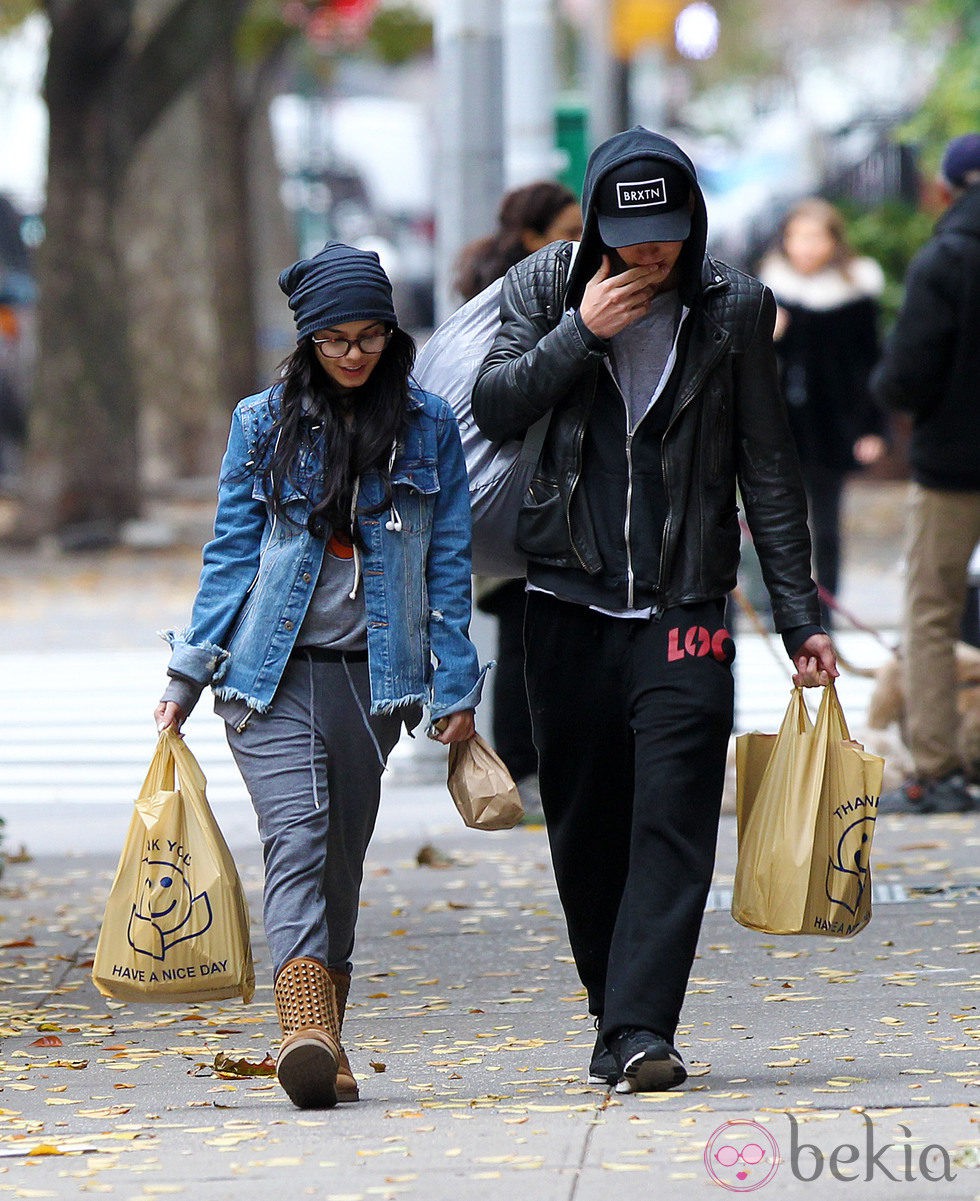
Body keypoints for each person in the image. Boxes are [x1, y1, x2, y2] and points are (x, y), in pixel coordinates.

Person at [472, 126, 836, 1094]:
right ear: (594, 224)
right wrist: (577, 334)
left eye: (668, 232)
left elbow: (767, 469)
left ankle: (641, 1027)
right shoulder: (546, 288)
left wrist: (800, 620)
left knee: (673, 818)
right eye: (632, 235)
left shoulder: (731, 310)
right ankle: (612, 1010)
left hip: (686, 608)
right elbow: (495, 404)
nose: (652, 252)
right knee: (585, 826)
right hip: (563, 602)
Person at [155, 242, 486, 1109]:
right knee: (297, 833)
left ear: (390, 334)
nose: (351, 354)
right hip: (266, 676)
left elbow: (447, 564)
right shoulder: (262, 422)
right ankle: (299, 1024)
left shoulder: (429, 426)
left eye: (368, 335)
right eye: (333, 339)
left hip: (372, 681)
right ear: (305, 342)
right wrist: (187, 671)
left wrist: (455, 685)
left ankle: (326, 1035)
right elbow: (231, 553)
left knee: (339, 854)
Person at [454, 182, 583, 807]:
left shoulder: (485, 286)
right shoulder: (522, 293)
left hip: (501, 494)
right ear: (533, 237)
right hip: (515, 490)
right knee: (524, 642)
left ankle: (529, 770)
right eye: (568, 231)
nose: (581, 244)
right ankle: (523, 771)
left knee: (524, 641)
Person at [872, 133, 980, 815]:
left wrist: (899, 397)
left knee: (932, 613)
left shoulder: (945, 258)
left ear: (946, 188)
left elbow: (905, 374)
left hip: (954, 466)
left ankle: (938, 770)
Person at [757, 198, 887, 626]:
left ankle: (826, 610)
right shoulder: (771, 291)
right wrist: (770, 335)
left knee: (827, 525)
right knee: (781, 520)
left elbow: (870, 363)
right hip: (781, 424)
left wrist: (873, 428)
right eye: (798, 237)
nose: (807, 247)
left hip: (834, 423)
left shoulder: (854, 290)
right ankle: (786, 607)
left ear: (834, 241)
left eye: (816, 237)